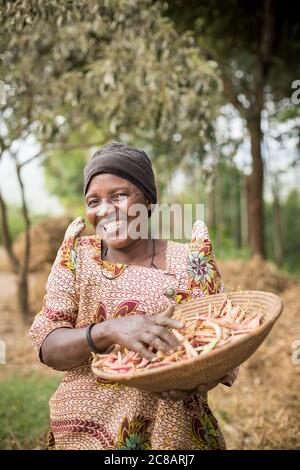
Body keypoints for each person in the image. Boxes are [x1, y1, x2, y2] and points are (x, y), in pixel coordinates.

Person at [29, 142, 238, 450]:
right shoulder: (77, 257)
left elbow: (225, 350)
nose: (105, 210)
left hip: (176, 437)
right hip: (88, 434)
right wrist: (108, 330)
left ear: (148, 200)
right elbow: (47, 345)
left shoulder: (191, 261)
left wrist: (196, 381)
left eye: (120, 196)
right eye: (93, 200)